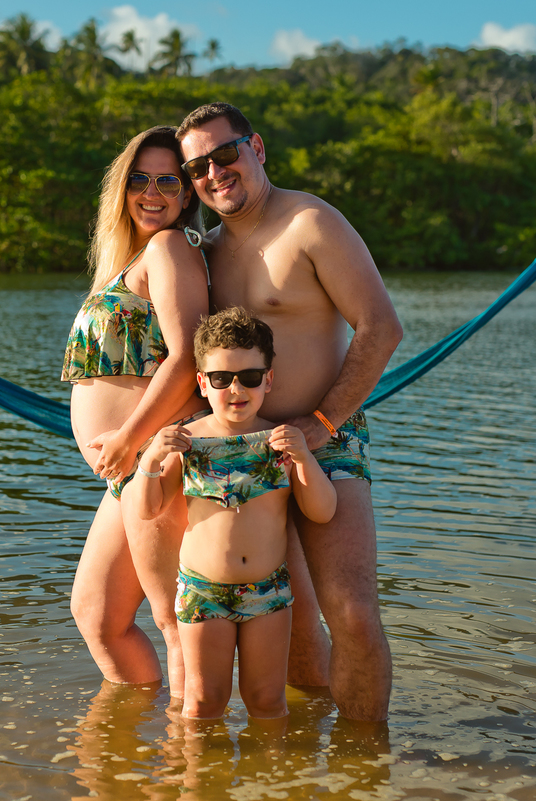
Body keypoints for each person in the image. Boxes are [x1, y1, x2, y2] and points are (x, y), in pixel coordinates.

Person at [176, 103, 405, 721]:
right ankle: (301, 759)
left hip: (326, 436)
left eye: (225, 154)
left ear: (256, 148)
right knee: (294, 625)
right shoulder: (205, 251)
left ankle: (366, 762)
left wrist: (323, 423)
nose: (214, 173)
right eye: (197, 167)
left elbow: (381, 327)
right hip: (239, 450)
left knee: (352, 615)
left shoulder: (311, 223)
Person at [129, 308, 337, 720]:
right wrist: (151, 458)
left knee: (267, 702)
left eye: (250, 377)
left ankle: (273, 766)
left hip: (268, 591)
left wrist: (304, 459)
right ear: (203, 383)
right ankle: (193, 764)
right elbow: (148, 509)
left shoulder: (279, 442)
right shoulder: (189, 442)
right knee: (203, 703)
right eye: (222, 378)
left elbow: (322, 511)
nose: (236, 388)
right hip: (203, 590)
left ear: (268, 379)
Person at [61, 126, 210, 694]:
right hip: (131, 464)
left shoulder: (169, 247)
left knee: (175, 622)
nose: (152, 193)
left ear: (187, 194)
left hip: (156, 456)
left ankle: (190, 740)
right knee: (97, 615)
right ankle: (128, 733)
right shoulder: (134, 258)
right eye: (140, 180)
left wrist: (126, 438)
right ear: (121, 188)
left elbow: (187, 358)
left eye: (168, 181)